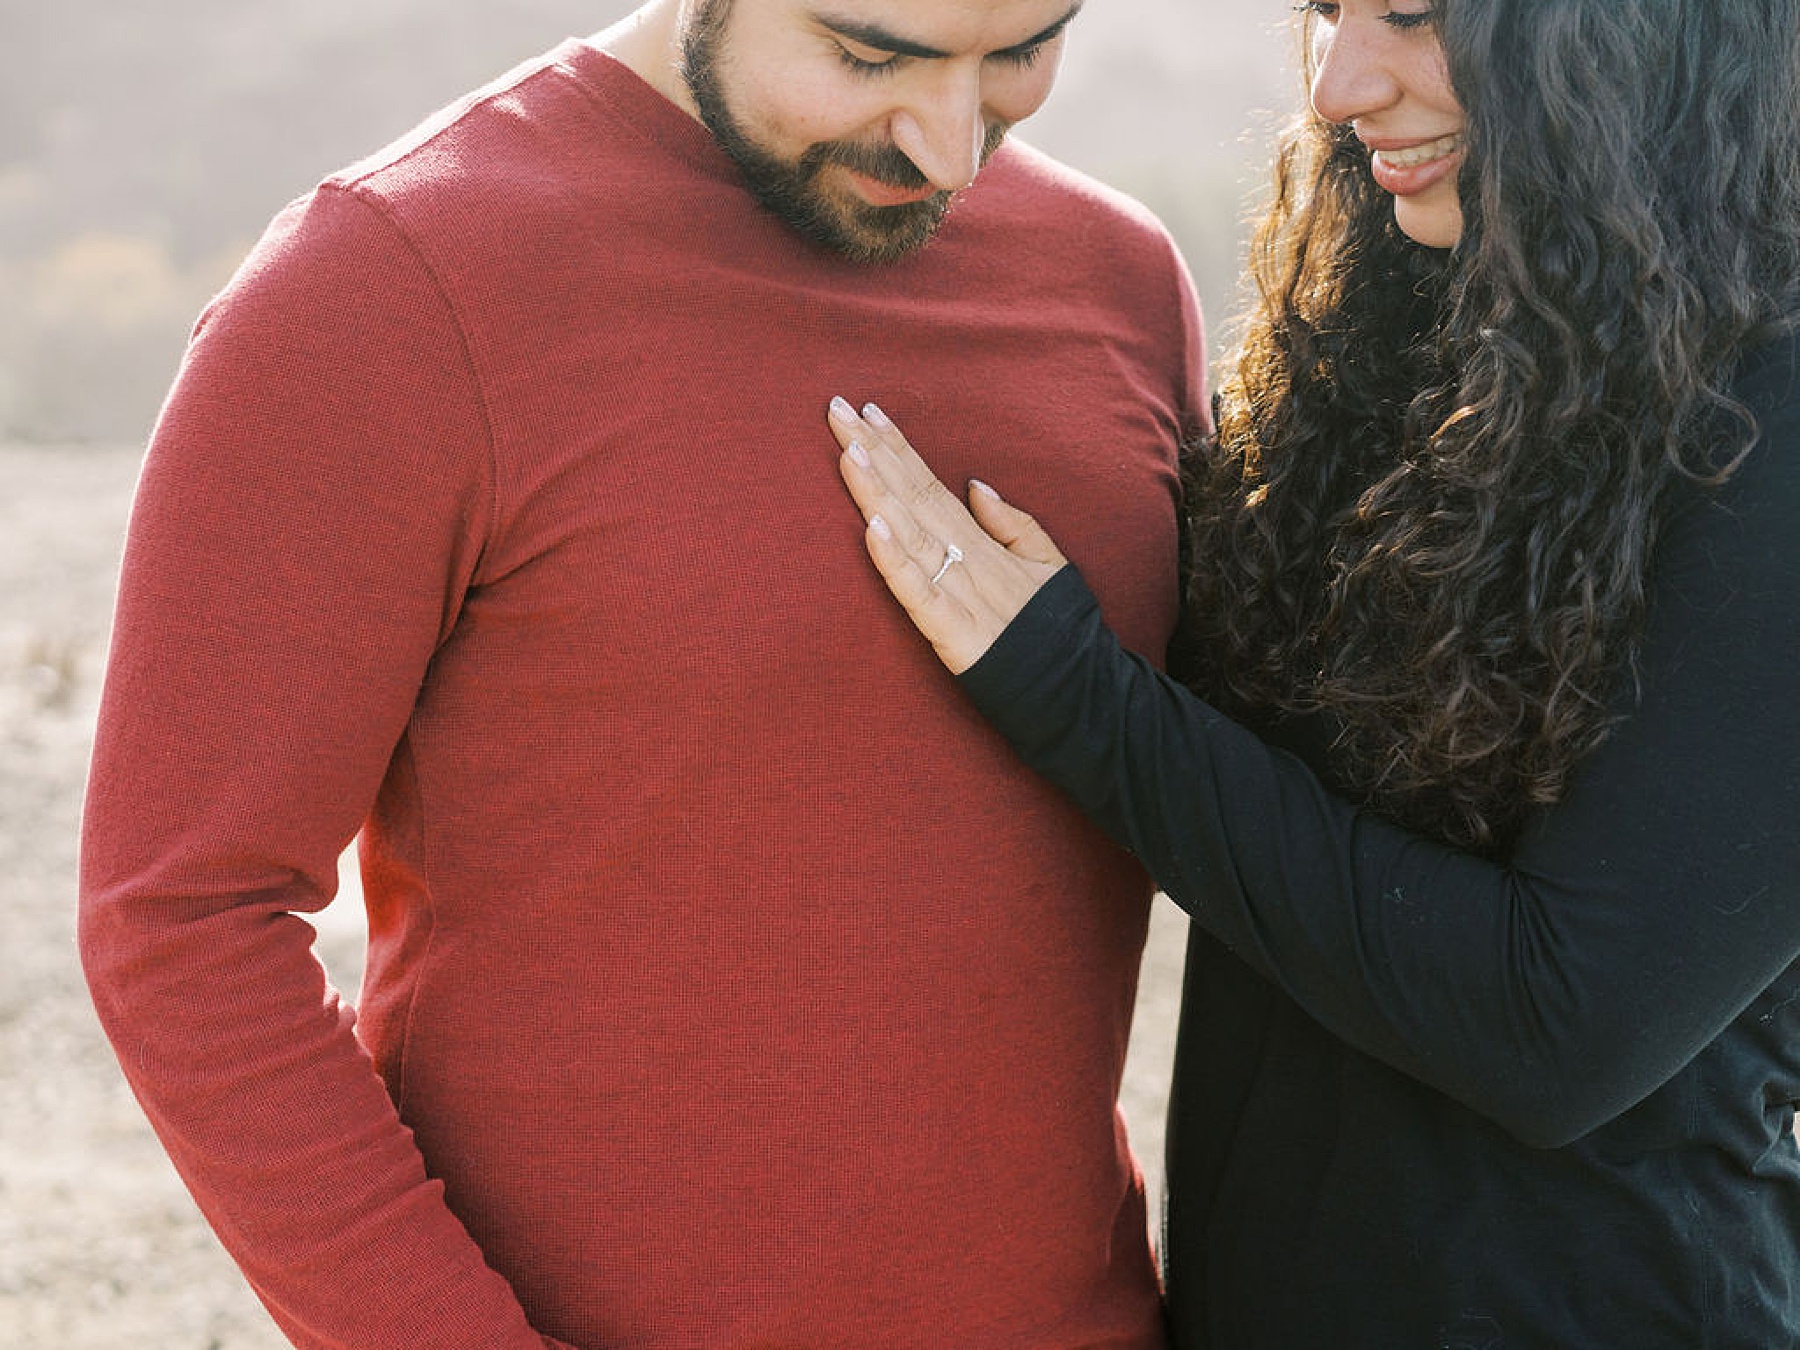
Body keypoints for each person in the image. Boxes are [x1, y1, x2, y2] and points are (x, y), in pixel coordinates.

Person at [76, 1, 1210, 1346]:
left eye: (1021, 50)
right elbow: (183, 915)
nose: (952, 144)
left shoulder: (1121, 280)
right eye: (870, 56)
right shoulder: (388, 284)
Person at [824, 0, 1800, 1343]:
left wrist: (1080, 699)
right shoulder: (1420, 317)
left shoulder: (1781, 414)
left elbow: (1554, 1018)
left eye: (1411, 17)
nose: (1340, 85)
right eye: (1330, 14)